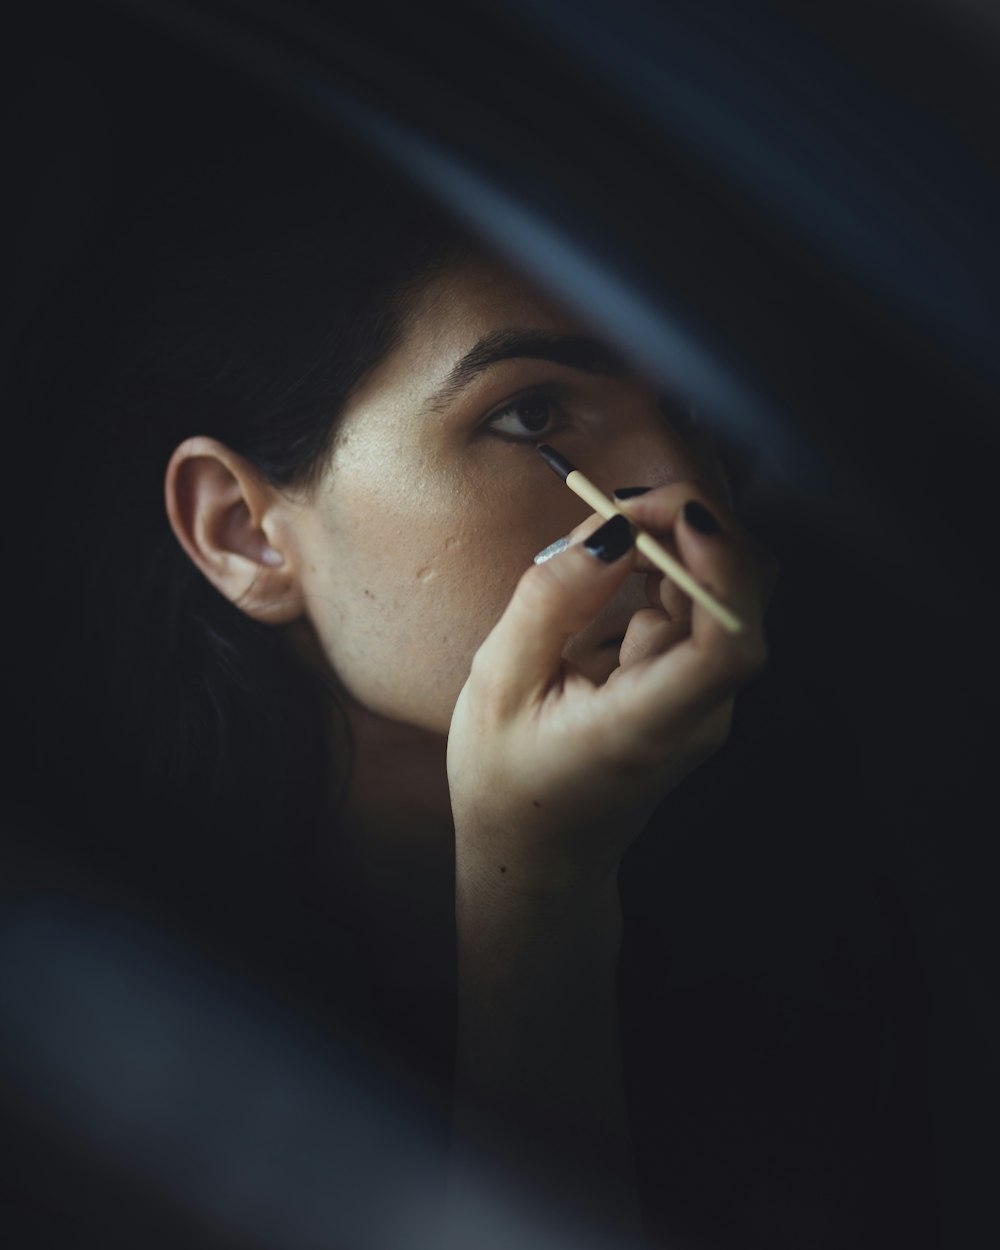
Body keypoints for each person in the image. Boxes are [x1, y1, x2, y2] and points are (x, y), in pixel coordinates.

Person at [7, 102, 936, 1250]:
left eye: (686, 411)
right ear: (245, 533)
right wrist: (530, 890)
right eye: (533, 412)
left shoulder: (822, 844)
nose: (675, 483)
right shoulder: (104, 997)